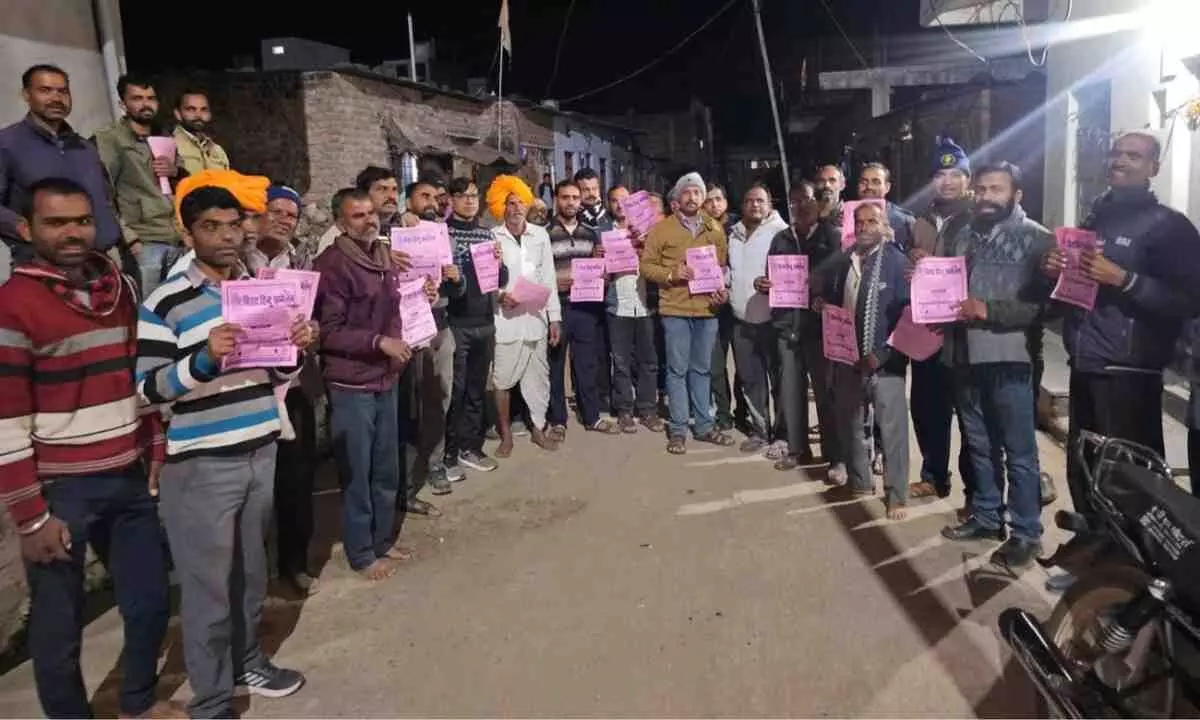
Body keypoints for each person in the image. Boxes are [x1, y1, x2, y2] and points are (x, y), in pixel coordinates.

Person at [0, 177, 178, 719]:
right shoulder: (13, 306)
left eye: (81, 220)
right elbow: (6, 420)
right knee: (59, 629)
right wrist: (31, 517)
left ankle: (137, 703)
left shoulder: (117, 290)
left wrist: (154, 447)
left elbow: (135, 376)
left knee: (149, 602)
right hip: (61, 489)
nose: (73, 233)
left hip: (126, 474)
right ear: (27, 229)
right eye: (56, 223)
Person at [138, 184, 314, 717]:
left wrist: (294, 348)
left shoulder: (256, 291)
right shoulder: (164, 301)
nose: (227, 236)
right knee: (208, 591)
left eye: (234, 224)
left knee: (250, 576)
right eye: (211, 227)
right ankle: (212, 701)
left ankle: (248, 662)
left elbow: (275, 374)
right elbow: (145, 390)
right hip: (202, 461)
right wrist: (203, 360)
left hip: (259, 445)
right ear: (187, 232)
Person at [1042, 131, 1200, 587]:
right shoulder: (1097, 215)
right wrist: (1055, 270)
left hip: (1130, 372)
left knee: (1130, 480)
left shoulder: (1170, 227)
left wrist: (1125, 279)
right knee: (1086, 469)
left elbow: (1187, 300)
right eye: (1116, 153)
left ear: (1154, 168)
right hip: (1087, 360)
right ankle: (1094, 565)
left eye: (1134, 155)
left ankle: (1134, 577)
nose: (1121, 161)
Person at [937, 162, 1052, 568]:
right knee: (979, 445)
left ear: (1016, 195)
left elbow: (1047, 308)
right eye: (981, 189)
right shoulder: (961, 232)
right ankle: (987, 517)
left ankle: (1026, 532)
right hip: (963, 354)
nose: (986, 196)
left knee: (1019, 452)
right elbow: (944, 284)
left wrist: (989, 310)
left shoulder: (1039, 240)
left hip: (1010, 357)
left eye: (996, 189)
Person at [315, 188, 417, 581]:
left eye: (371, 213)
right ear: (340, 223)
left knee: (386, 468)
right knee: (357, 471)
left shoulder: (384, 256)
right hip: (351, 384)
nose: (369, 220)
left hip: (385, 378)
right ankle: (361, 552)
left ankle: (382, 540)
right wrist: (378, 343)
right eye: (358, 215)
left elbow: (394, 308)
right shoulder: (332, 265)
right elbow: (328, 331)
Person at [816, 202, 911, 520]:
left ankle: (896, 495)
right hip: (848, 358)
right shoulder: (846, 260)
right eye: (859, 222)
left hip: (886, 362)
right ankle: (860, 482)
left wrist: (881, 354)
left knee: (892, 431)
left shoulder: (897, 262)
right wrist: (822, 304)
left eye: (872, 221)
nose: (865, 227)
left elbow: (908, 317)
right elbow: (835, 301)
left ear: (884, 225)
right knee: (852, 423)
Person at [641, 172, 734, 455]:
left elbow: (722, 267)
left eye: (697, 192)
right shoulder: (661, 230)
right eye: (687, 192)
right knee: (677, 371)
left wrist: (722, 290)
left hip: (707, 310)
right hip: (675, 310)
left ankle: (704, 425)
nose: (692, 197)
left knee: (702, 369)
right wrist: (672, 273)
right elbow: (646, 266)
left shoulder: (714, 229)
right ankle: (679, 429)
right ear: (677, 198)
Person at [0, 65, 124, 262]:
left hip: (98, 260)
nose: (56, 98)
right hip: (43, 263)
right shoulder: (8, 144)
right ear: (26, 95)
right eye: (45, 90)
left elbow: (106, 199)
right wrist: (22, 228)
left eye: (63, 91)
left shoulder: (84, 147)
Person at [756, 181, 838, 471]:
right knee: (791, 390)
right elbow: (769, 274)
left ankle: (833, 454)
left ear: (818, 202)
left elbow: (841, 278)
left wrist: (823, 291)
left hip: (818, 328)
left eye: (806, 199)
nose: (801, 206)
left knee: (826, 392)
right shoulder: (781, 238)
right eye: (794, 201)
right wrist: (762, 284)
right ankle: (797, 449)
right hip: (787, 325)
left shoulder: (831, 237)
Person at [907, 138, 972, 502]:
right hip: (926, 331)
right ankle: (934, 476)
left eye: (955, 174)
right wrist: (912, 262)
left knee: (969, 414)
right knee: (927, 408)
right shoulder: (920, 220)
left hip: (964, 331)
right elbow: (906, 265)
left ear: (967, 179)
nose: (947, 181)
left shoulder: (978, 218)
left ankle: (977, 492)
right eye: (940, 174)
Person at [488, 175, 562, 457]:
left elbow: (548, 278)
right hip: (505, 320)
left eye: (521, 202)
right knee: (502, 379)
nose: (517, 208)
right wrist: (499, 295)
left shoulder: (540, 235)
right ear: (501, 207)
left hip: (536, 318)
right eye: (511, 203)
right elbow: (486, 278)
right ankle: (506, 434)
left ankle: (538, 429)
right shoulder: (492, 237)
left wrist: (554, 318)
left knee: (538, 378)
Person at [399, 179, 461, 508]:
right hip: (406, 330)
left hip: (440, 326)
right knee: (410, 405)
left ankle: (435, 463)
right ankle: (406, 477)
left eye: (435, 197)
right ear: (408, 201)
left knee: (440, 397)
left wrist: (455, 278)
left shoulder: (443, 236)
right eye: (423, 196)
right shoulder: (392, 234)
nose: (431, 202)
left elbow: (459, 290)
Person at [94, 74, 183, 296]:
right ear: (122, 104)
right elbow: (102, 193)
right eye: (137, 98)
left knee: (176, 306)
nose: (145, 104)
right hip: (144, 240)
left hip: (176, 238)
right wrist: (129, 239)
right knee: (146, 308)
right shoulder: (111, 139)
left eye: (150, 98)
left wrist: (175, 171)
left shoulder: (165, 136)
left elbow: (183, 184)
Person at [547, 179, 619, 438]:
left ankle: (592, 416)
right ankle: (558, 420)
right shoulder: (544, 233)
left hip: (586, 308)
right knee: (555, 364)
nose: (570, 202)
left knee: (587, 364)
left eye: (575, 198)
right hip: (556, 307)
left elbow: (599, 270)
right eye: (565, 197)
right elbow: (538, 272)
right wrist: (555, 283)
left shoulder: (590, 233)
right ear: (556, 199)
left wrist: (602, 271)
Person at [445, 177, 506, 475]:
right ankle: (448, 453)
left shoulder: (486, 234)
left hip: (485, 321)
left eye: (473, 195)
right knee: (454, 391)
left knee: (476, 389)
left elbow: (500, 280)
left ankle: (469, 447)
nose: (469, 201)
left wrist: (500, 263)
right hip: (456, 323)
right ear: (451, 200)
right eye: (463, 195)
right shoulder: (443, 234)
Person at [727, 185, 788, 454]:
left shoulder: (782, 233)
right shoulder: (734, 234)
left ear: (770, 204)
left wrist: (774, 284)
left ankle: (783, 434)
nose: (754, 205)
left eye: (760, 200)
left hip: (772, 321)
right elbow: (732, 271)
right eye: (749, 200)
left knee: (779, 382)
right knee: (751, 380)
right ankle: (760, 430)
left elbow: (793, 274)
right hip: (741, 320)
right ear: (742, 205)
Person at [604, 184, 663, 433]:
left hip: (646, 304)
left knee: (649, 360)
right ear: (609, 205)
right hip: (618, 305)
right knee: (620, 362)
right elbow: (596, 274)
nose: (620, 205)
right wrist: (601, 260)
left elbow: (663, 262)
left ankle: (648, 409)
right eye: (615, 201)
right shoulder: (604, 233)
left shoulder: (651, 231)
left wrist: (646, 245)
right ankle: (625, 410)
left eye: (624, 200)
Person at [704, 182, 745, 432]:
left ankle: (743, 412)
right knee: (716, 365)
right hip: (712, 305)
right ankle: (723, 413)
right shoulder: (698, 230)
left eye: (718, 199)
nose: (714, 204)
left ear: (726, 202)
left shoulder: (740, 229)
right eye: (708, 200)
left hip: (739, 304)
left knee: (744, 365)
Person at [856, 163, 916, 252]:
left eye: (875, 182)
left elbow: (915, 255)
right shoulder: (845, 217)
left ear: (887, 187)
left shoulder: (905, 221)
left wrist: (893, 244)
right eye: (864, 182)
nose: (869, 187)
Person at [172, 90, 230, 174]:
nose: (198, 115)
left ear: (210, 114)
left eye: (204, 110)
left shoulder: (217, 150)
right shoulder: (171, 144)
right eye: (191, 109)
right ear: (178, 114)